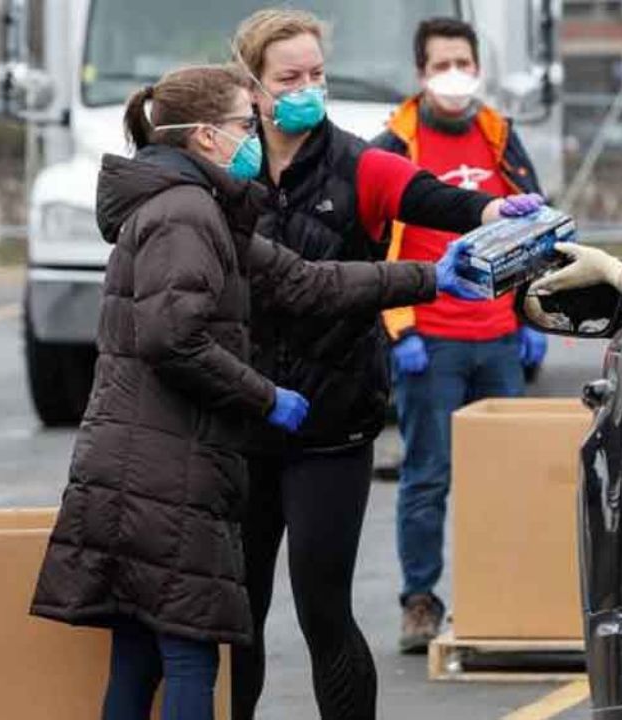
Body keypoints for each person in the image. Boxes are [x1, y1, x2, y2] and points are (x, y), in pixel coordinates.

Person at [28, 64, 481, 720]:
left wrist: (428, 277)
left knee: (139, 656)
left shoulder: (203, 208)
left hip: (138, 463)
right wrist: (265, 396)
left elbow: (305, 281)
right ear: (207, 137)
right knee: (189, 656)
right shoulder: (185, 214)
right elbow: (170, 338)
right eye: (246, 123)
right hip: (162, 469)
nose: (257, 134)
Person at [229, 9, 547, 718]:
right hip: (242, 420)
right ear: (252, 88)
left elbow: (435, 198)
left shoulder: (357, 163)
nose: (307, 88)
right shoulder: (228, 168)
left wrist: (498, 214)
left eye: (316, 74)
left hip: (332, 424)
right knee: (235, 617)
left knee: (323, 611)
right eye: (290, 77)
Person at [368, 16, 560, 653]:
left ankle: (500, 596)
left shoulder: (499, 136)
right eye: (442, 64)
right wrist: (400, 331)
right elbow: (375, 244)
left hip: (499, 338)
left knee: (505, 475)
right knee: (429, 475)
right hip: (432, 342)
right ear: (422, 74)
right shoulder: (395, 145)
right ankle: (420, 602)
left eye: (465, 63)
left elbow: (537, 226)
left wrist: (533, 316)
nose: (456, 75)